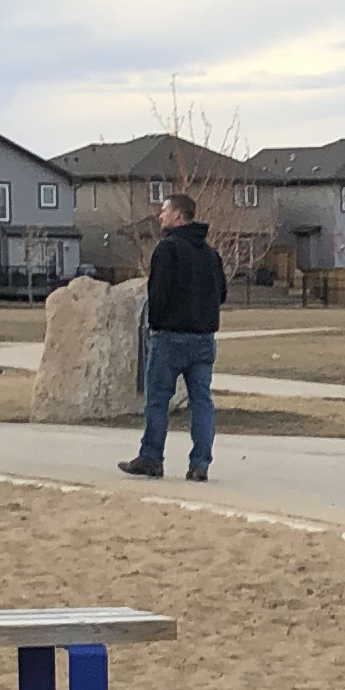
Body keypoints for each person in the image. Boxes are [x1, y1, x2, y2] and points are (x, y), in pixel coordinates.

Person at [121, 190, 224, 481]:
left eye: (164, 211)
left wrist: (156, 322)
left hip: (170, 337)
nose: (160, 215)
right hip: (204, 338)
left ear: (178, 215)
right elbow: (221, 294)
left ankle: (151, 458)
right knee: (201, 401)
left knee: (157, 399)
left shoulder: (167, 249)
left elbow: (158, 293)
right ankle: (200, 463)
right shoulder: (211, 254)